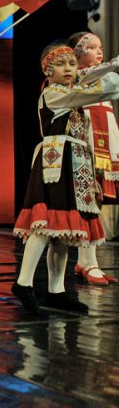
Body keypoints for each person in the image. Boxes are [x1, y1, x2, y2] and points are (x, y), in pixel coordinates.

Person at [12, 44, 119, 316]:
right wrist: (111, 74)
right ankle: (23, 282)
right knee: (45, 225)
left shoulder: (71, 96)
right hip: (56, 161)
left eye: (72, 64)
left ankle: (56, 290)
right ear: (48, 71)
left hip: (75, 162)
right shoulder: (54, 94)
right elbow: (92, 89)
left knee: (62, 231)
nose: (69, 69)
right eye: (61, 64)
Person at [69, 31, 119, 285]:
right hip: (87, 138)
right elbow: (95, 73)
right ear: (77, 54)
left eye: (100, 46)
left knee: (96, 202)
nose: (99, 51)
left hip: (106, 135)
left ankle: (87, 261)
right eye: (92, 47)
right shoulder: (76, 76)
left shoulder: (103, 76)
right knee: (87, 199)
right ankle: (88, 262)